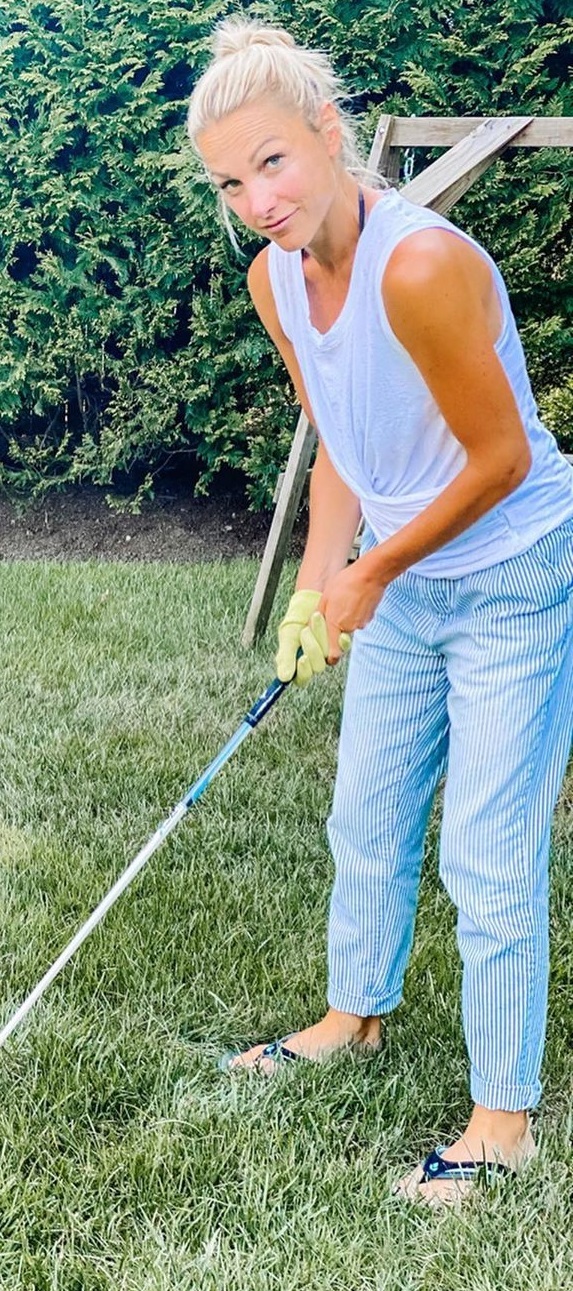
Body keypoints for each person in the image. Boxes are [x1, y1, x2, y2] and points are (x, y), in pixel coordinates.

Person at [186, 17, 573, 1205]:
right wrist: (320, 582)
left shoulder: (420, 266)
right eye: (230, 183)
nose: (257, 199)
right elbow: (342, 446)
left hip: (513, 573)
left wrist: (371, 573)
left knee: (487, 854)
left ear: (328, 132)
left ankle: (502, 1121)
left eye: (272, 162)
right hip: (404, 581)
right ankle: (354, 1017)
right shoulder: (275, 281)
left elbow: (502, 461)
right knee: (365, 816)